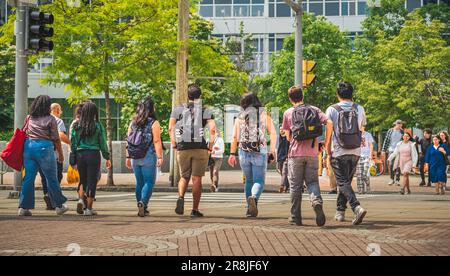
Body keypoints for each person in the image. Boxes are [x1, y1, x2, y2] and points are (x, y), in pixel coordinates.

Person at [281, 86, 328, 226]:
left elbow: (289, 137)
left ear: (290, 99)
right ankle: (316, 202)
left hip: (295, 154)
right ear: (303, 96)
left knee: (295, 186)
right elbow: (329, 122)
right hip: (313, 153)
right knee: (312, 182)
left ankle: (295, 217)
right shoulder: (314, 109)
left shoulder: (288, 113)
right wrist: (326, 140)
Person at [169, 85, 216, 218]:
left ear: (188, 96)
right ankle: (194, 210)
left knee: (184, 176)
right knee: (196, 179)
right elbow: (212, 130)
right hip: (200, 148)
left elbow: (170, 128)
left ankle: (180, 197)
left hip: (183, 148)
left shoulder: (178, 109)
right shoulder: (205, 110)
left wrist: (174, 145)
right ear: (200, 96)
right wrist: (210, 147)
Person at [228, 92, 277, 218]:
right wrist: (272, 151)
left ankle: (249, 209)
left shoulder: (240, 117)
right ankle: (254, 198)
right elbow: (273, 134)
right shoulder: (264, 115)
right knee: (259, 181)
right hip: (259, 151)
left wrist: (232, 154)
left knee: (248, 181)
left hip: (243, 151)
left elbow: (234, 137)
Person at [325, 82, 367, 226]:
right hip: (355, 150)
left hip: (338, 150)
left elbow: (329, 133)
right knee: (346, 182)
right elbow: (362, 129)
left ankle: (356, 207)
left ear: (338, 94)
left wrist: (327, 151)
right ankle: (340, 212)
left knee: (342, 182)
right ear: (352, 93)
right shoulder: (359, 108)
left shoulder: (331, 109)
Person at [19, 95, 69, 216]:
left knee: (28, 178)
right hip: (45, 148)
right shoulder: (51, 119)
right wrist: (61, 155)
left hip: (29, 148)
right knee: (51, 178)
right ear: (47, 106)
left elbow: (24, 132)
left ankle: (23, 207)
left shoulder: (29, 117)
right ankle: (59, 205)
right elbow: (56, 139)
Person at [71, 102, 111, 216]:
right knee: (92, 181)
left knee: (82, 180)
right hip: (93, 154)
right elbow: (103, 143)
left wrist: (74, 153)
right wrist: (107, 157)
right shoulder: (97, 125)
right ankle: (88, 209)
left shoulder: (76, 125)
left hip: (80, 154)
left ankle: (80, 200)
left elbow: (73, 142)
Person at [126, 97, 163, 217]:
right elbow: (157, 141)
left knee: (139, 183)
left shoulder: (133, 122)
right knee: (149, 182)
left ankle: (140, 205)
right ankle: (143, 203)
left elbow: (129, 141)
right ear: (151, 108)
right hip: (148, 156)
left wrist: (128, 157)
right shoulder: (154, 123)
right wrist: (160, 157)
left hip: (135, 156)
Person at [38, 103, 71, 210]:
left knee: (44, 177)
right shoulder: (57, 120)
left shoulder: (39, 119)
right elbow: (60, 136)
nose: (60, 112)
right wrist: (70, 143)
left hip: (39, 152)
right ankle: (54, 199)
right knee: (56, 177)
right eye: (60, 110)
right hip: (53, 153)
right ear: (56, 110)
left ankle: (47, 194)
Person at [382, 120, 404, 186]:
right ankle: (392, 179)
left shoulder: (402, 131)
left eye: (401, 124)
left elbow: (405, 139)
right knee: (391, 164)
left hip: (399, 149)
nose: (400, 125)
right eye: (398, 123)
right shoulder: (390, 130)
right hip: (391, 149)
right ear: (395, 124)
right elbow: (386, 140)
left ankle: (397, 180)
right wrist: (383, 150)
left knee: (398, 165)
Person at [277, 127, 290, 193]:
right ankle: (287, 185)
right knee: (282, 172)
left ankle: (282, 186)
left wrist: (287, 157)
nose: (281, 130)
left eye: (282, 129)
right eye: (280, 129)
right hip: (280, 157)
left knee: (284, 172)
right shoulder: (279, 137)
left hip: (286, 157)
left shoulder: (288, 138)